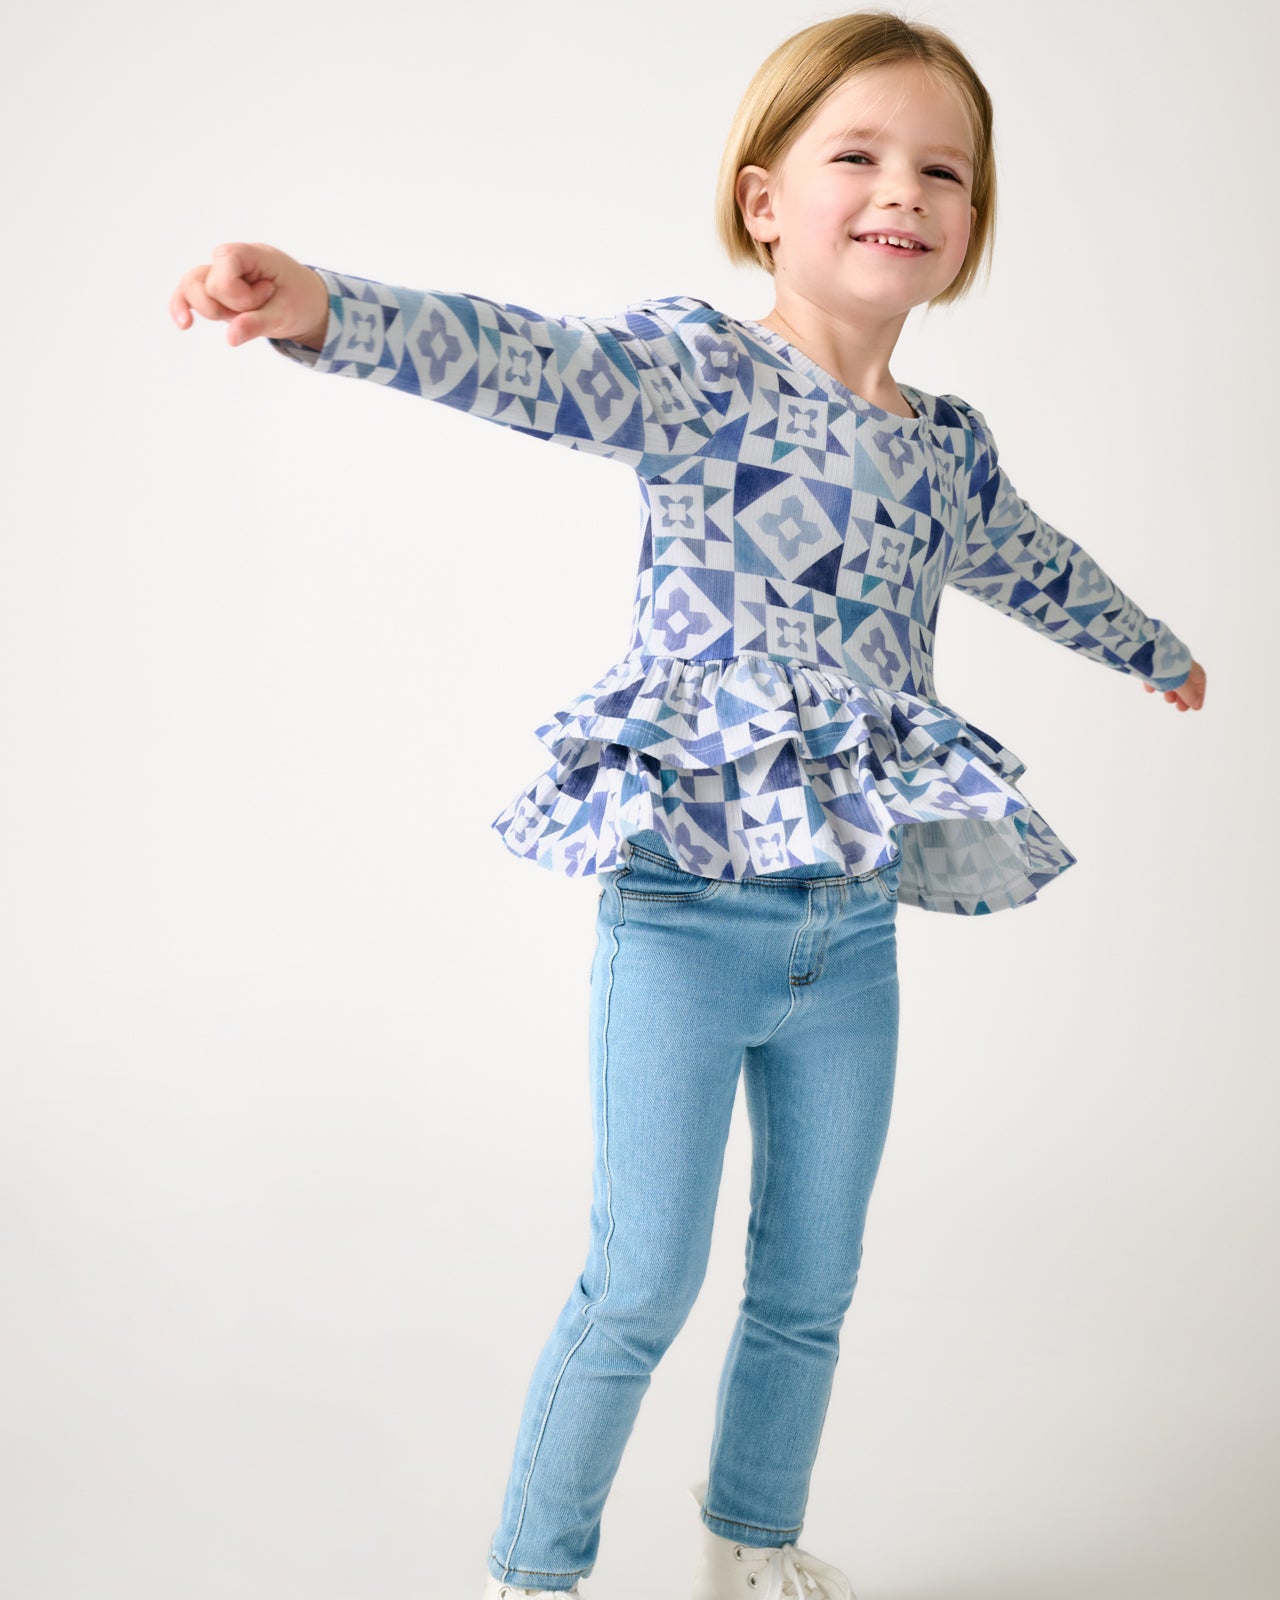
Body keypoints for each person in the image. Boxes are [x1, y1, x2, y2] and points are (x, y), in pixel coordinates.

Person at [169, 11, 1204, 1599]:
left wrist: (1152, 650)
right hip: (683, 915)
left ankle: (753, 1542)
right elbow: (524, 360)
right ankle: (535, 1573)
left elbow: (1038, 563)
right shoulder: (702, 375)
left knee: (811, 1283)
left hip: (852, 933)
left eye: (944, 171)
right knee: (640, 1280)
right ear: (764, 201)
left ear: (971, 222)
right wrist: (324, 307)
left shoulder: (950, 456)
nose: (904, 190)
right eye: (858, 155)